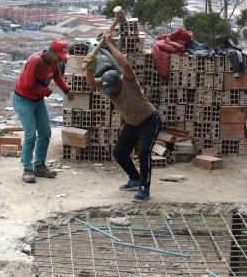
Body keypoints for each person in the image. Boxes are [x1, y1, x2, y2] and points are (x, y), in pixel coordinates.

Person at [84, 30, 161, 203]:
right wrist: (89, 67)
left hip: (149, 121)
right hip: (132, 124)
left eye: (112, 90)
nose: (111, 94)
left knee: (143, 152)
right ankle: (134, 179)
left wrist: (110, 43)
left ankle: (144, 188)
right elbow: (90, 82)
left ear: (119, 82)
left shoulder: (128, 81)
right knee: (119, 152)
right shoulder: (108, 86)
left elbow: (125, 64)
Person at [13, 39, 74, 183]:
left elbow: (57, 76)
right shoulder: (36, 61)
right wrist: (45, 91)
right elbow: (28, 84)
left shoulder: (54, 62)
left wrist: (66, 90)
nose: (60, 60)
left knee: (45, 132)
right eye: (59, 56)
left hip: (37, 100)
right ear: (52, 51)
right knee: (30, 135)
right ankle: (27, 168)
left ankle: (39, 165)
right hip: (24, 99)